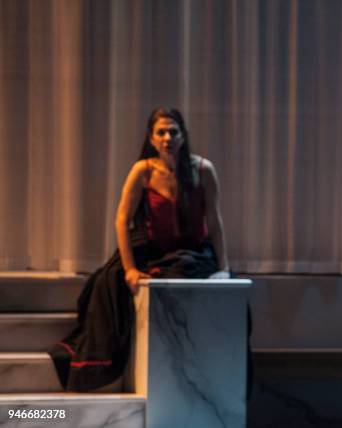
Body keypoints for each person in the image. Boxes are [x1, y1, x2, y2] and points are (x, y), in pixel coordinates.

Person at [49, 107, 229, 391]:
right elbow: (122, 219)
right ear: (152, 138)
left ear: (183, 136)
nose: (167, 137)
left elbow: (214, 222)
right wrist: (131, 269)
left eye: (173, 131)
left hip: (192, 250)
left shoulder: (204, 170)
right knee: (107, 284)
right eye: (161, 132)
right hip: (154, 247)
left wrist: (224, 268)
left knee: (211, 287)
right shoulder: (143, 170)